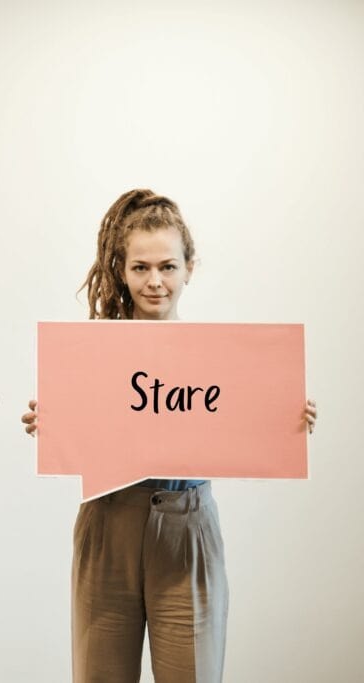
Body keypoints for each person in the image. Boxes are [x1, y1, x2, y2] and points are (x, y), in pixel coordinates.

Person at [21, 188, 317, 682]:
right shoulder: (91, 353)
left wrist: (285, 418)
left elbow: (248, 422)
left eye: (168, 266)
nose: (155, 281)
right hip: (108, 518)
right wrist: (52, 422)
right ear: (120, 268)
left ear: (189, 268)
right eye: (140, 268)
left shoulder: (221, 359)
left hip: (188, 530)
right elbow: (78, 429)